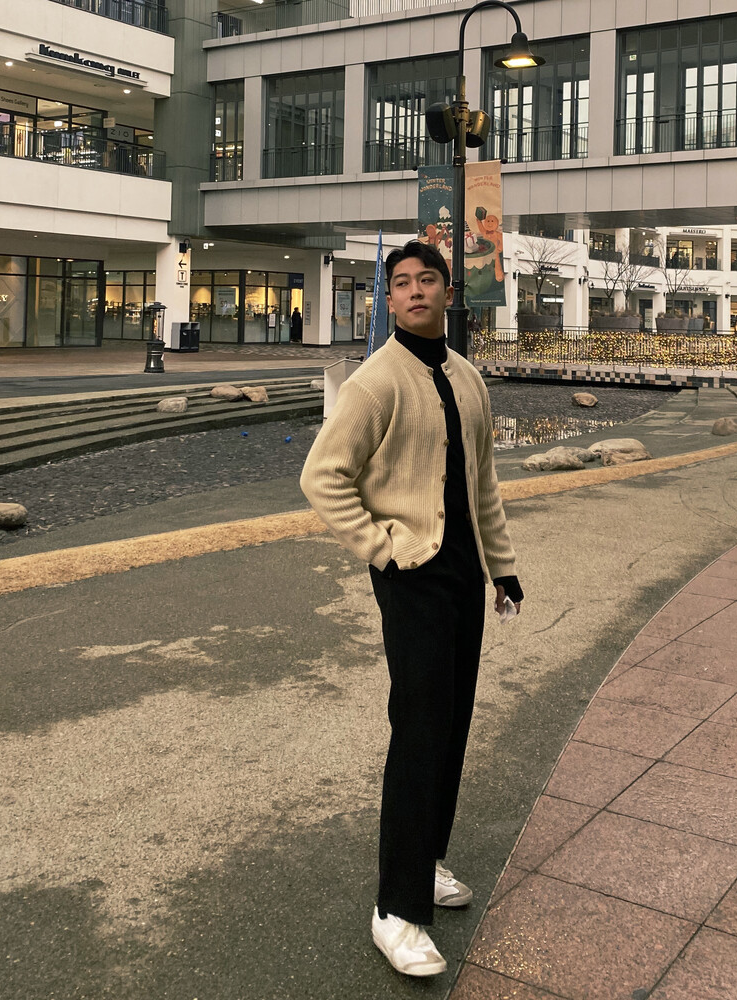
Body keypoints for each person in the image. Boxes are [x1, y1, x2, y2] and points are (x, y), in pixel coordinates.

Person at [299, 240, 524, 978]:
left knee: (451, 723)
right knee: (420, 729)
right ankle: (395, 909)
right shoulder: (375, 382)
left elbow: (483, 482)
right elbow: (322, 476)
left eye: (428, 279)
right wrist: (381, 548)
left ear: (447, 292)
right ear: (389, 299)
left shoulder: (466, 376)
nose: (416, 291)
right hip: (412, 575)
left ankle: (426, 859)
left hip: (462, 576)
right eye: (402, 283)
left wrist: (502, 567)